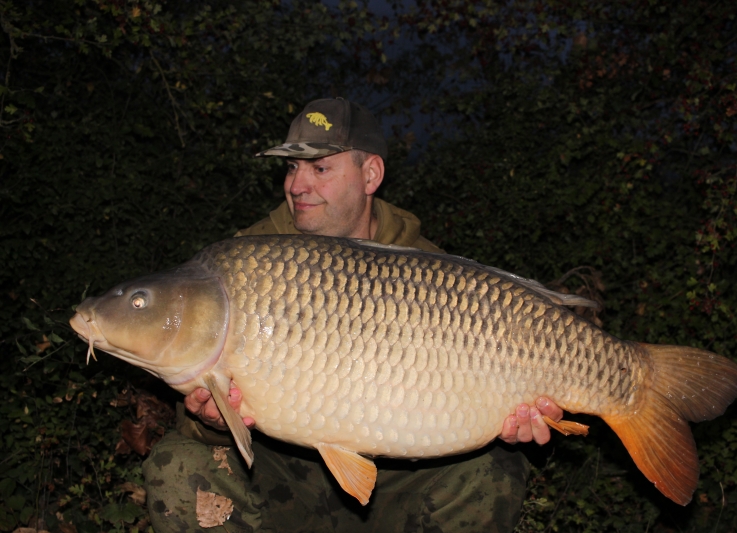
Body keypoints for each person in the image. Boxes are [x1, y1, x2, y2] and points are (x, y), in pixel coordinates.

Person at [143, 98, 564, 533]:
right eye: (291, 168)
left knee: (494, 470)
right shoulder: (248, 262)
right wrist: (209, 422)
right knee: (180, 465)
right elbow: (192, 411)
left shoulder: (432, 271)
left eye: (320, 168)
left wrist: (512, 418)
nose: (297, 185)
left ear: (371, 175)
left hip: (403, 477)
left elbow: (479, 393)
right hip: (283, 472)